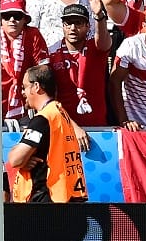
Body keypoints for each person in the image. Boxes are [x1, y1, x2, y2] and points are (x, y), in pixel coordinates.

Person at [8, 64, 88, 203]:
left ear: (36, 86)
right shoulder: (60, 112)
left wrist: (21, 158)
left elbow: (15, 159)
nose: (22, 92)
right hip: (68, 194)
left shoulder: (43, 119)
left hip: (48, 197)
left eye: (25, 87)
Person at [46, 3, 110, 127]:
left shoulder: (96, 48)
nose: (73, 28)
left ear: (88, 26)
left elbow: (103, 39)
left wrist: (99, 16)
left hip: (97, 126)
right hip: (63, 127)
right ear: (63, 26)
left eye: (78, 23)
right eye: (68, 23)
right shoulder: (51, 53)